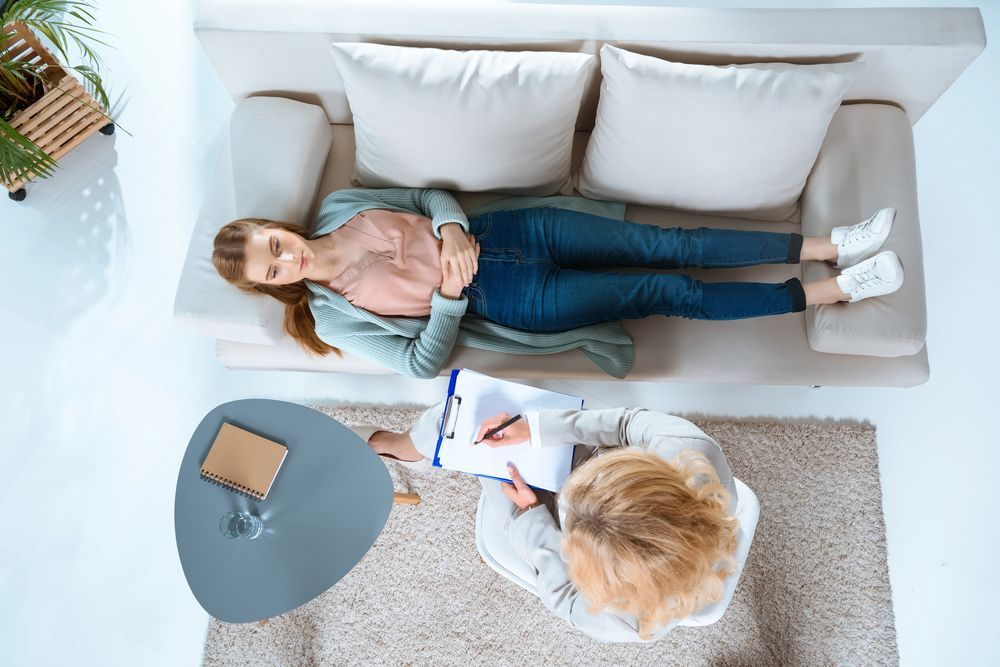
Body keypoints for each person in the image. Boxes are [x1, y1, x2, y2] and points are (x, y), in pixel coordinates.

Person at [211, 188, 903, 378]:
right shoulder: (332, 317)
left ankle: (831, 245)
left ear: (275, 227)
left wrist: (450, 228)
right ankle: (833, 291)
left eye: (273, 244)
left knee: (670, 242)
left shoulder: (340, 204)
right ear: (270, 287)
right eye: (271, 271)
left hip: (514, 230)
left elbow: (425, 196)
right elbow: (421, 365)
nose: (285, 259)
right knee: (670, 290)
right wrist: (448, 300)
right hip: (511, 299)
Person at [357, 404, 745, 642]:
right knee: (459, 417)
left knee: (468, 443)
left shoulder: (631, 620)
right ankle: (411, 446)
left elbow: (565, 597)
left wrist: (531, 515)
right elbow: (626, 422)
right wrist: (538, 429)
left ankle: (408, 448)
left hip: (542, 533)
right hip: (595, 464)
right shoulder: (689, 448)